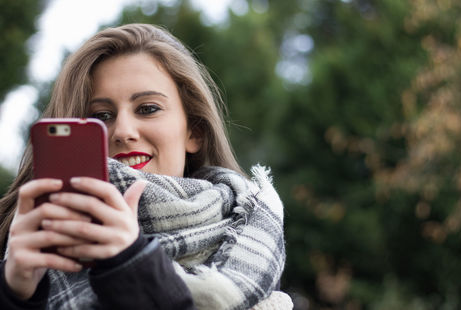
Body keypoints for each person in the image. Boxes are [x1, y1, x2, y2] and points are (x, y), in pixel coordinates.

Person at [0, 24, 291, 309]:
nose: (123, 131)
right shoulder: (29, 250)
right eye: (101, 116)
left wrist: (130, 263)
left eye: (148, 108)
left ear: (195, 132)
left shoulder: (250, 234)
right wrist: (16, 296)